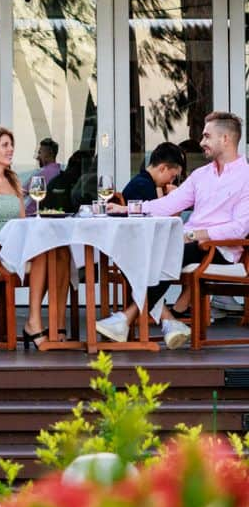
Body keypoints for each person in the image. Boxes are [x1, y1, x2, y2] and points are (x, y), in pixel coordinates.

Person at [97, 111, 249, 350]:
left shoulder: (246, 177)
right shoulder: (201, 175)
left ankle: (127, 317)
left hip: (220, 249)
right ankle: (169, 322)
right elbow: (167, 205)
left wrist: (197, 234)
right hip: (187, 244)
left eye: (207, 136)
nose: (202, 142)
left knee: (164, 250)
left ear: (226, 139)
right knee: (142, 251)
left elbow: (240, 227)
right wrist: (125, 209)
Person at [0, 124, 70, 351]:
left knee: (61, 251)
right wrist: (4, 241)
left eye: (11, 145)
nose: (11, 150)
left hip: (15, 249)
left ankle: (58, 327)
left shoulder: (13, 182)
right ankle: (33, 322)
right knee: (41, 252)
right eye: (5, 145)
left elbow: (22, 222)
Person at [24, 138, 62, 214]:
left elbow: (21, 193)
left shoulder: (40, 175)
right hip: (54, 214)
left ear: (48, 154)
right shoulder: (61, 173)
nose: (37, 157)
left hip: (31, 214)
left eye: (40, 153)